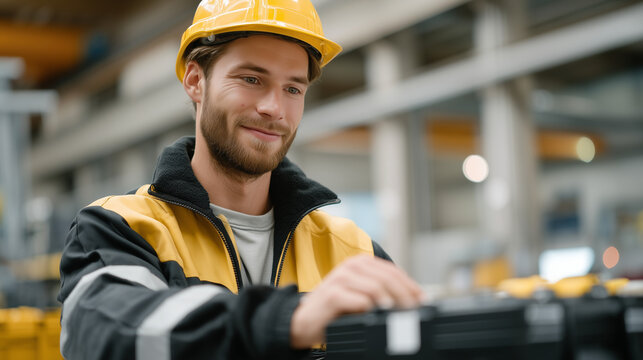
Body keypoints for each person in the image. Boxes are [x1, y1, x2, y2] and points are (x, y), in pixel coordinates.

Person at [58, 0, 424, 359]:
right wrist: (287, 320)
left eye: (293, 89)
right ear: (195, 80)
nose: (274, 108)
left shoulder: (353, 252)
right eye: (251, 79)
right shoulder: (122, 228)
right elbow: (103, 334)